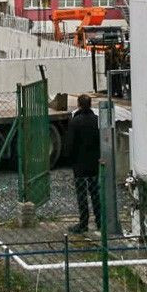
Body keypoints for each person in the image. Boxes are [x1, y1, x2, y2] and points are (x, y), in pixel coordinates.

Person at [63, 93, 102, 234]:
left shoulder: (75, 122)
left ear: (78, 104)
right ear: (90, 104)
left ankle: (83, 223)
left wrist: (69, 159)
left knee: (82, 194)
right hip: (93, 163)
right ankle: (100, 221)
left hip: (79, 164)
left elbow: (70, 144)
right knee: (95, 193)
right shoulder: (96, 120)